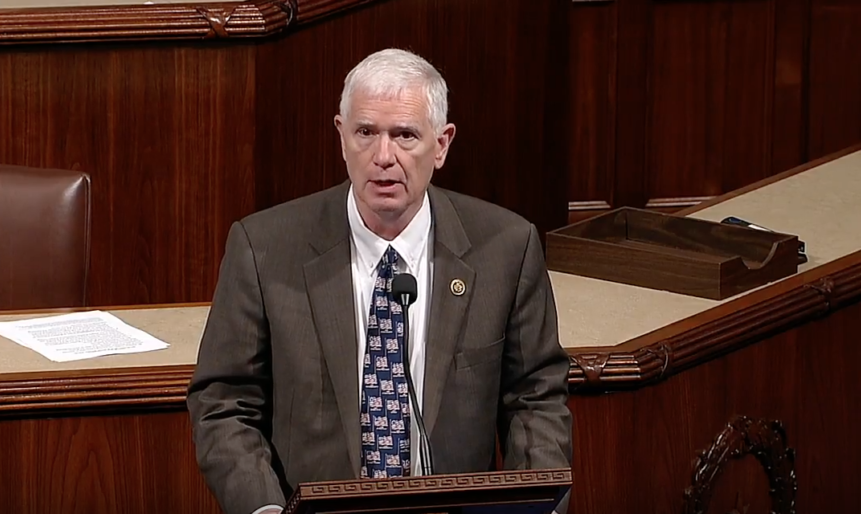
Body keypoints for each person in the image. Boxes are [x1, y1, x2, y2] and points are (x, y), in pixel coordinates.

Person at [187, 48, 573, 514]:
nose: (383, 156)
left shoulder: (506, 248)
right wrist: (264, 509)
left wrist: (533, 503)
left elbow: (534, 399)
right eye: (366, 132)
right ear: (341, 136)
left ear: (442, 143)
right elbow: (224, 403)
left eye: (405, 135)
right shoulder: (265, 248)